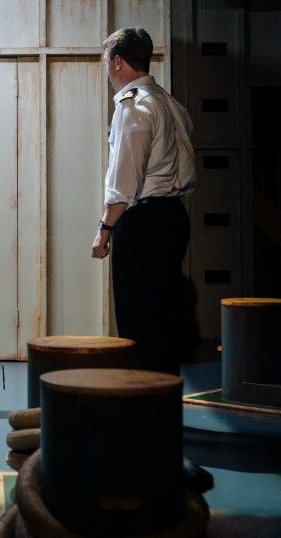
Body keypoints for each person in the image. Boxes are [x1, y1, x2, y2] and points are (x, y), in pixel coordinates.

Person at [91, 27, 196, 376]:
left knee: (138, 318)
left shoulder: (132, 108)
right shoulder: (170, 103)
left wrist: (105, 228)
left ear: (117, 61)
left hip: (142, 223)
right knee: (165, 313)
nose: (106, 69)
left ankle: (143, 402)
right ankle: (164, 395)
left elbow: (124, 178)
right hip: (174, 216)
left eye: (106, 61)